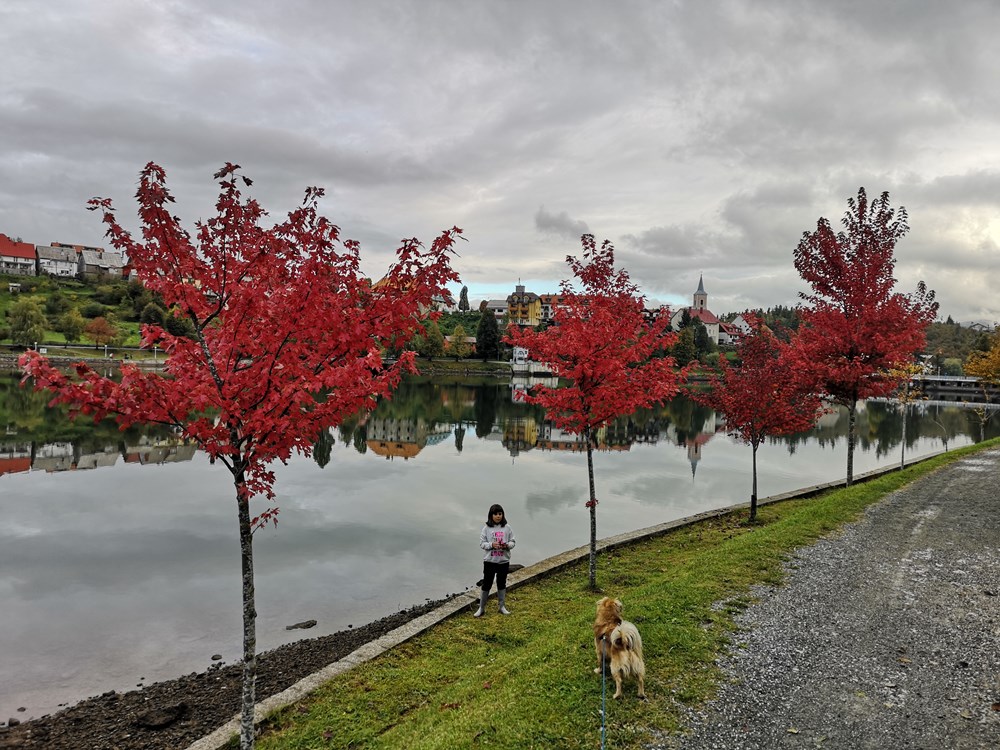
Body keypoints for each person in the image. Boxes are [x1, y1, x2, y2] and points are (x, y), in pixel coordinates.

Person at [474, 503, 516, 617]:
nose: (498, 516)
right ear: (491, 515)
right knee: (486, 584)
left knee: (501, 583)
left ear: (503, 515)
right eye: (495, 514)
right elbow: (482, 544)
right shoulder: (486, 529)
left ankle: (502, 606)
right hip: (490, 561)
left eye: (500, 514)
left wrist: (507, 545)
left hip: (503, 561)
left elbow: (513, 542)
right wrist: (492, 545)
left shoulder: (507, 528)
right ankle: (481, 608)